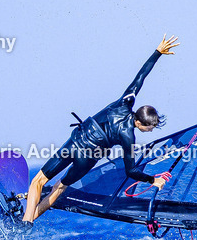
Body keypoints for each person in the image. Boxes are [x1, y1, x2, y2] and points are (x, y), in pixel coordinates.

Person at [21, 34, 179, 224]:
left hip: (76, 142)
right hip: (87, 158)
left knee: (38, 181)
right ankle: (27, 224)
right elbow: (132, 171)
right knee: (60, 188)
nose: (151, 131)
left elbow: (140, 77)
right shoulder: (128, 137)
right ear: (140, 123)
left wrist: (157, 52)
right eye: (150, 127)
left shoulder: (125, 102)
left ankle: (24, 221)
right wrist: (153, 180)